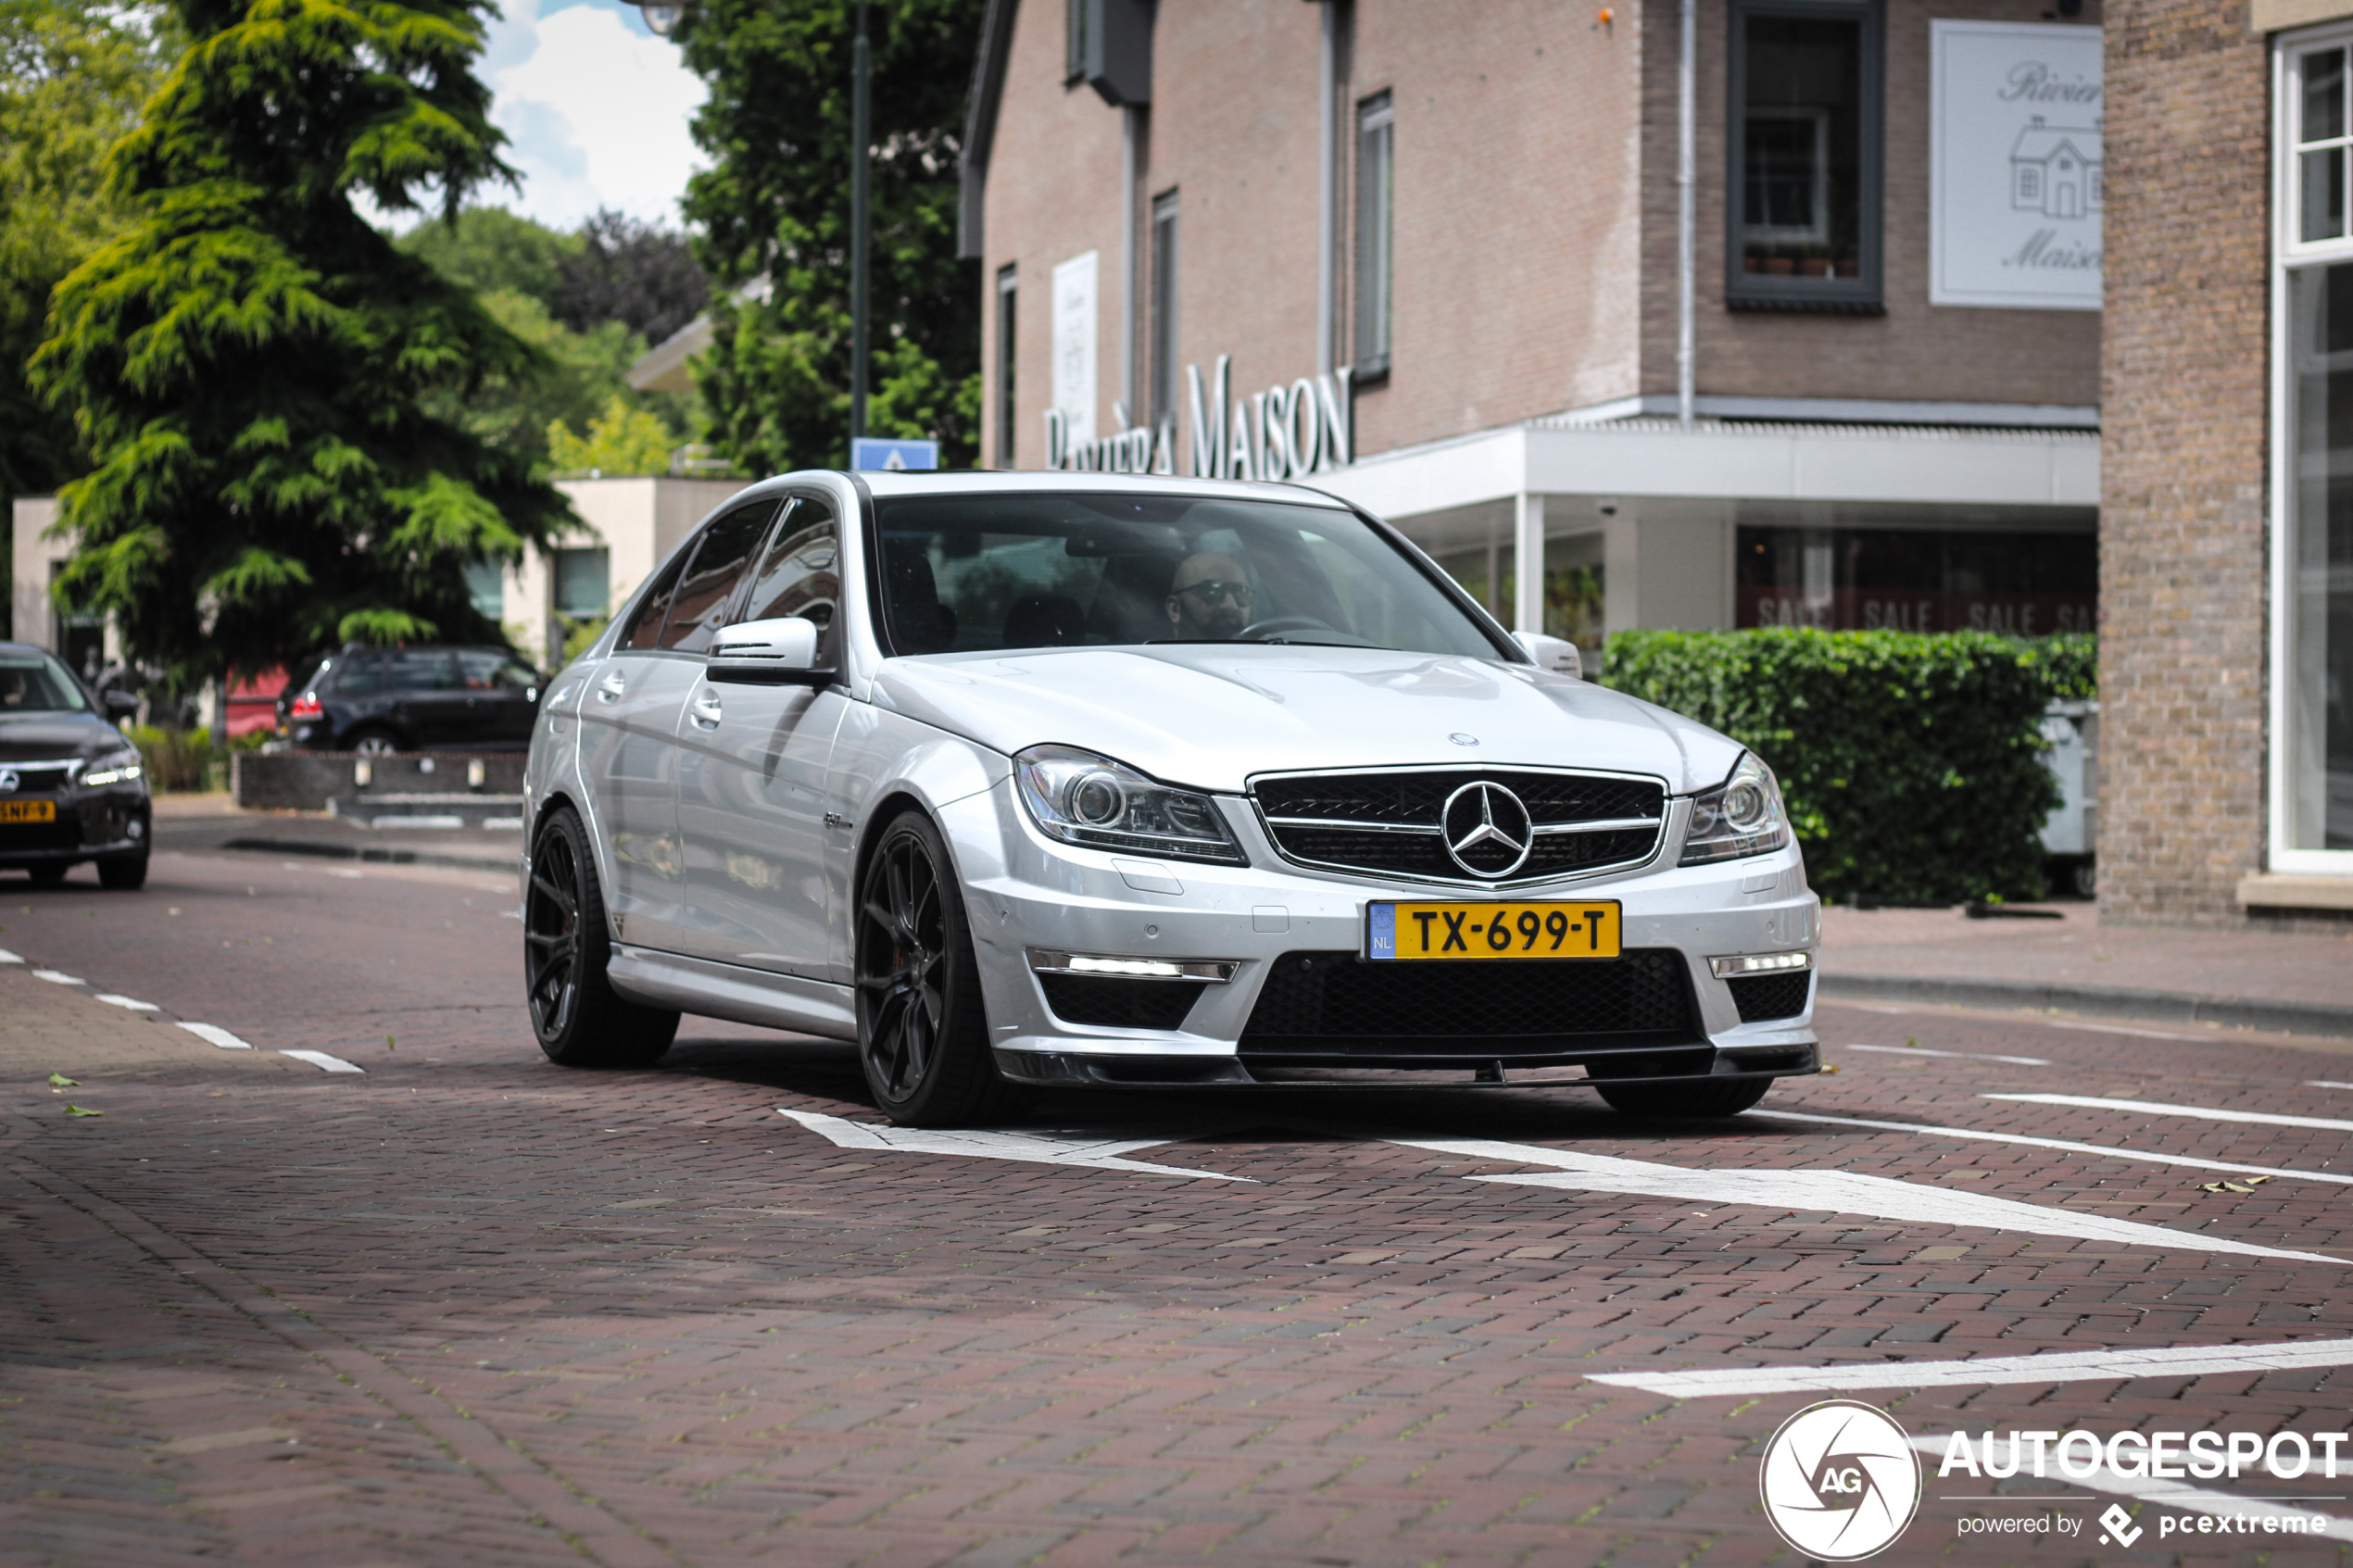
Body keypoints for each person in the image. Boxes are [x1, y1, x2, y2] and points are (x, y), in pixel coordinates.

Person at [1164, 551, 1254, 639]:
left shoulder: (1264, 650)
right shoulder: (1153, 652)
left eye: (1242, 592)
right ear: (1174, 608)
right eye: (1213, 591)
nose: (1231, 605)